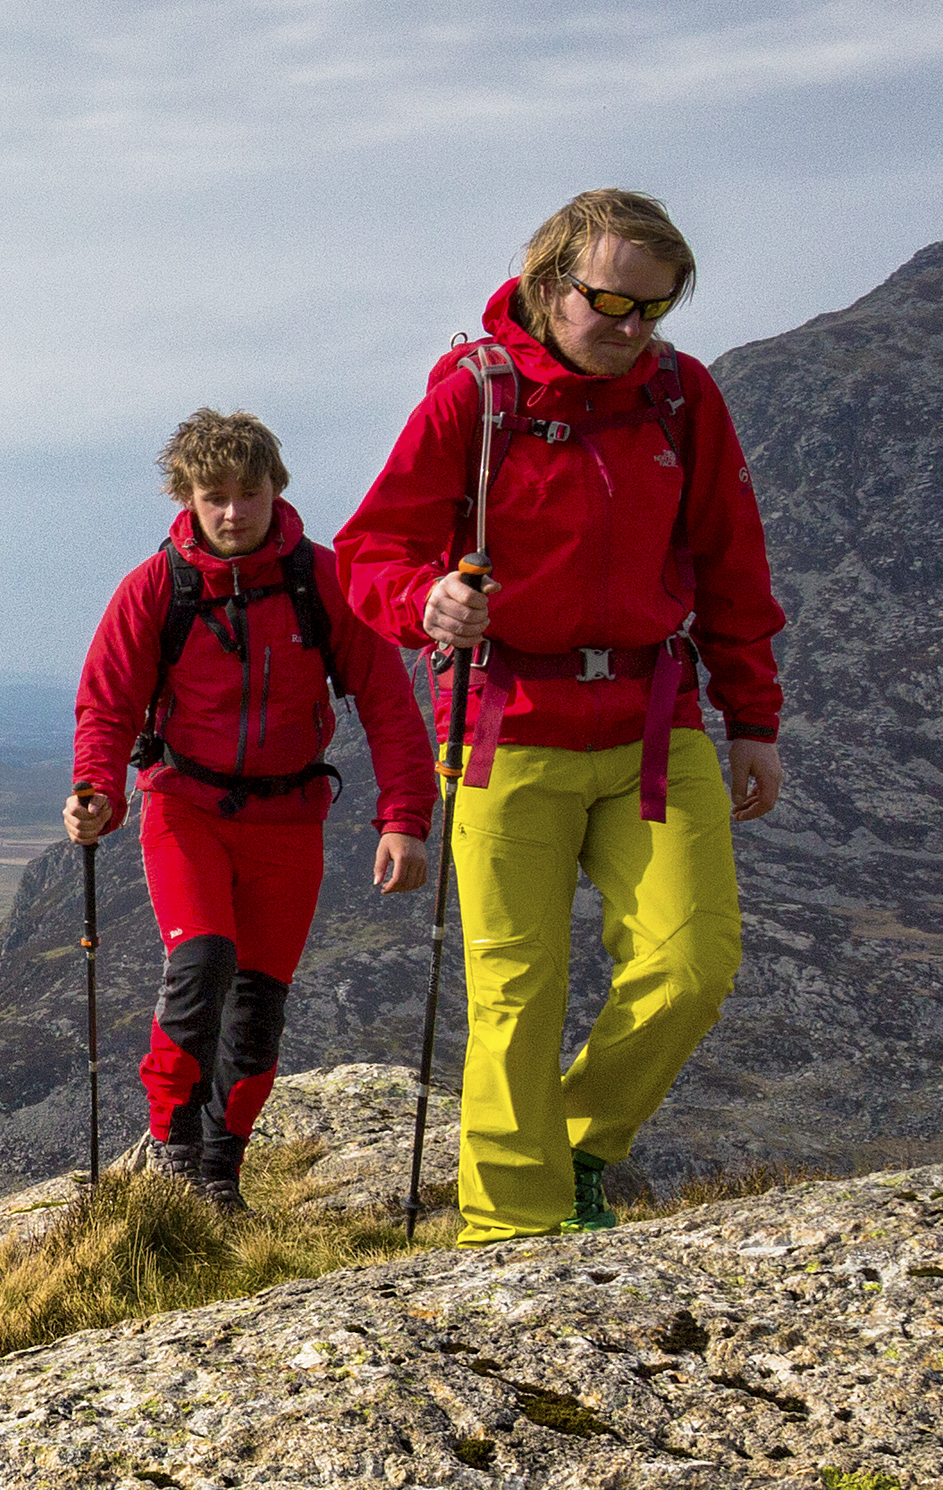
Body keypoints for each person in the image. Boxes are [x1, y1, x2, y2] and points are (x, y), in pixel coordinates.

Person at [330, 187, 787, 1241]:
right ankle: (510, 1230)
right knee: (514, 996)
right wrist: (424, 601)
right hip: (506, 722)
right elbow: (369, 555)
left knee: (691, 962)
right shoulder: (470, 403)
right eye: (609, 304)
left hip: (652, 722)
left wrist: (750, 715)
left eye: (651, 311)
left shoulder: (681, 397)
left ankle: (576, 1140)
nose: (630, 332)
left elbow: (728, 558)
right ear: (547, 286)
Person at [64, 409, 431, 1205]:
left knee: (260, 1004)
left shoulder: (323, 581)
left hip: (288, 820)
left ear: (277, 489)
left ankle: (220, 1173)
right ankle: (173, 1148)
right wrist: (98, 789)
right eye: (215, 495)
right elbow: (108, 705)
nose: (234, 511)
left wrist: (405, 817)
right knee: (201, 965)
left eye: (250, 492)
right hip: (183, 810)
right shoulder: (156, 588)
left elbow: (389, 702)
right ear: (187, 498)